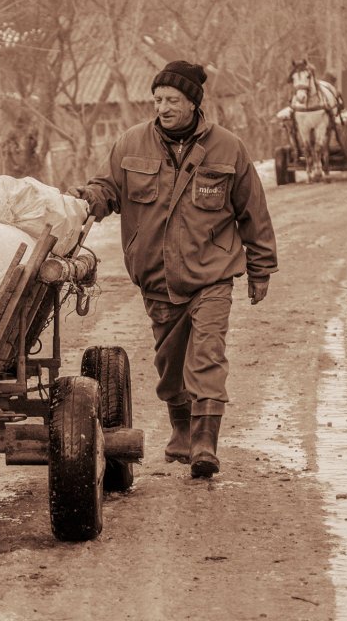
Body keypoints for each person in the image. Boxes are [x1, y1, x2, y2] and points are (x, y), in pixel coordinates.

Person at [69, 61, 278, 479]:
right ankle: (181, 428)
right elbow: (108, 188)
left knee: (208, 355)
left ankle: (205, 442)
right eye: (158, 100)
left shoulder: (228, 148)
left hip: (212, 273)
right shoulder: (131, 143)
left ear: (193, 103)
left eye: (172, 100)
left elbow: (253, 210)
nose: (162, 108)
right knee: (170, 362)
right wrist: (86, 200)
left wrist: (261, 268)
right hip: (157, 276)